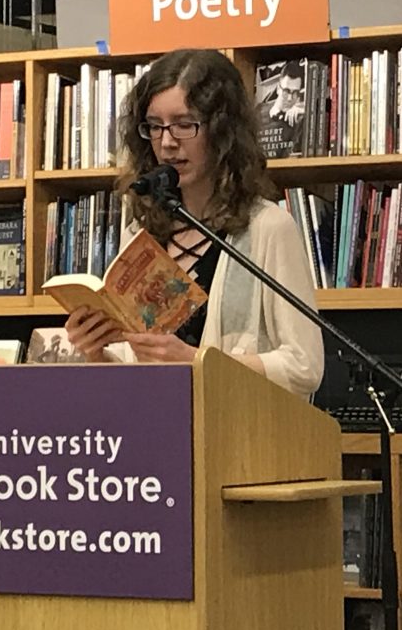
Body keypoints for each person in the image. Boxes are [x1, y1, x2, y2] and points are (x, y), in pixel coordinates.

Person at [65, 48, 324, 399]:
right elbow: (137, 376)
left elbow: (304, 366)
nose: (168, 142)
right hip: (158, 434)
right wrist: (96, 353)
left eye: (185, 125)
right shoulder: (141, 234)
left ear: (222, 132)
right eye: (155, 127)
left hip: (240, 440)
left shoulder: (268, 228)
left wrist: (195, 361)